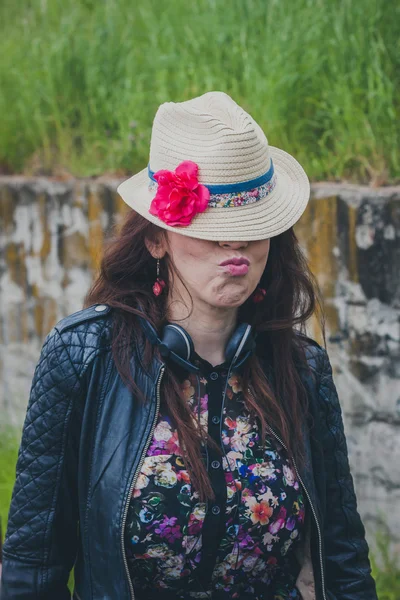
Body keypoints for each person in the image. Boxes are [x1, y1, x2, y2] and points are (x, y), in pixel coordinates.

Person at [0, 92, 377, 600]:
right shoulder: (83, 355)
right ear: (157, 239)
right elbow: (33, 563)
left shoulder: (303, 368)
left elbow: (342, 558)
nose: (235, 246)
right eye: (214, 228)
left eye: (250, 228)